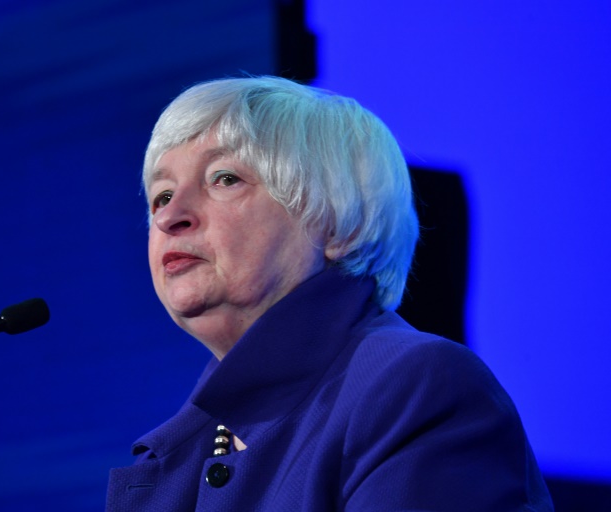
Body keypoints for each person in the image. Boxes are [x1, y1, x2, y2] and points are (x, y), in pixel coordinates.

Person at [106, 76, 553, 511]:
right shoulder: (178, 454)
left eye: (224, 178)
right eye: (162, 196)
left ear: (339, 225)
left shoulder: (416, 387)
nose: (170, 216)